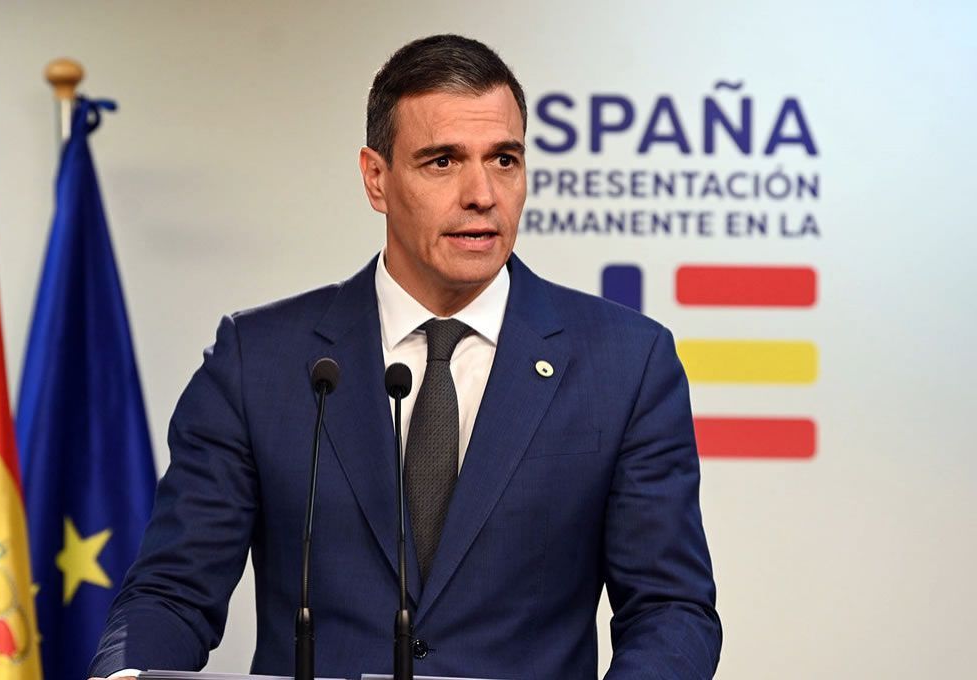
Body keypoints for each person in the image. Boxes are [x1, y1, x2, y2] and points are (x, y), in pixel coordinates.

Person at [90, 34, 721, 680]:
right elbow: (171, 593)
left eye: (504, 159)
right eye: (443, 161)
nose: (482, 193)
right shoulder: (259, 362)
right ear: (376, 178)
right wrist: (125, 675)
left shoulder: (626, 364)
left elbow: (669, 610)